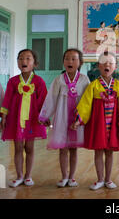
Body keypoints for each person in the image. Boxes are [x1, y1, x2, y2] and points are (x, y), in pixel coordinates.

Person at [72, 51, 119, 190]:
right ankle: (100, 179)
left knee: (109, 153)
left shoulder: (118, 86)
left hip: (112, 125)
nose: (107, 65)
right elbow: (85, 104)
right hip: (99, 125)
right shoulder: (93, 85)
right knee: (98, 152)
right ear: (98, 66)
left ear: (115, 66)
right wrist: (79, 120)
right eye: (104, 62)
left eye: (111, 62)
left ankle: (108, 179)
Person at [39, 49, 90, 187]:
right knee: (63, 148)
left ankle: (72, 177)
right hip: (62, 118)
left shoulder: (85, 80)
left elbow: (88, 100)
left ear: (80, 62)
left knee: (73, 149)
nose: (70, 61)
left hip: (76, 120)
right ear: (63, 62)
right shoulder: (59, 80)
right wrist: (45, 115)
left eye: (74, 59)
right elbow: (51, 99)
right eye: (67, 58)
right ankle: (64, 176)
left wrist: (84, 118)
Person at [0, 49, 47, 187]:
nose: (23, 61)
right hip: (16, 120)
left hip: (32, 120)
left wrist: (44, 116)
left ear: (34, 63)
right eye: (20, 58)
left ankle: (28, 176)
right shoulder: (13, 81)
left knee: (29, 148)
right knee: (18, 148)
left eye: (28, 58)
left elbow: (43, 101)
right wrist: (3, 117)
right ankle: (19, 175)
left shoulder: (39, 81)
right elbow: (7, 100)